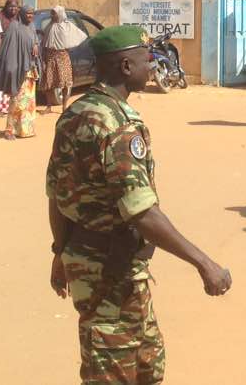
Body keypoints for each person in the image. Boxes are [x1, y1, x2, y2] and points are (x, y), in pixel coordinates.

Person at [46, 24, 232, 384]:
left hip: (104, 265)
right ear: (126, 67)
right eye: (146, 59)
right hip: (110, 271)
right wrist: (205, 264)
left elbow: (57, 194)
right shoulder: (119, 126)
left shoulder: (75, 112)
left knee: (147, 365)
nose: (152, 66)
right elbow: (142, 212)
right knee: (113, 371)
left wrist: (60, 251)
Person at [0, 6, 41, 139]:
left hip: (30, 71)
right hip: (18, 69)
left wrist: (36, 44)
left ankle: (25, 130)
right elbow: (8, 49)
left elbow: (34, 38)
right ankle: (10, 130)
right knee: (16, 101)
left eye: (32, 14)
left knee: (28, 103)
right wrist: (11, 68)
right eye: (28, 14)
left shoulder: (31, 26)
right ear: (22, 14)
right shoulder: (14, 26)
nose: (30, 16)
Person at [42, 6, 86, 114]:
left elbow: (78, 36)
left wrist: (69, 45)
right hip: (50, 57)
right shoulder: (49, 26)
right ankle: (48, 106)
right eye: (52, 13)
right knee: (49, 82)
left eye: (54, 13)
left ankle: (64, 107)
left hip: (63, 57)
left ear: (60, 14)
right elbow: (44, 42)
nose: (52, 16)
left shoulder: (67, 26)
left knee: (65, 83)